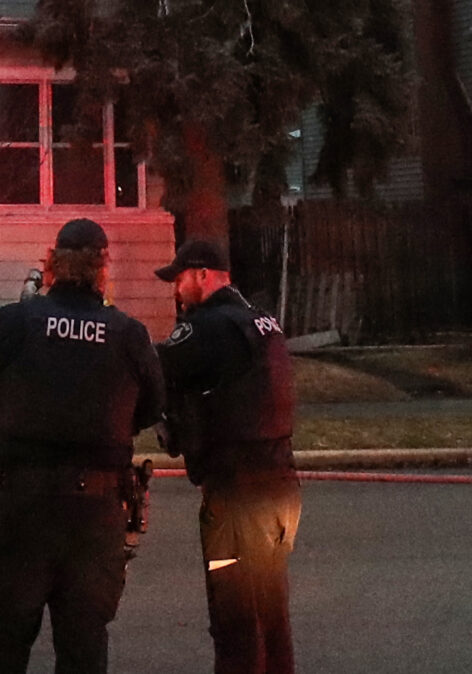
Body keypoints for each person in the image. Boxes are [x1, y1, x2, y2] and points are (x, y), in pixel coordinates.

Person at [0, 218, 164, 674]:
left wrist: (4, 408)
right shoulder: (128, 334)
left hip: (21, 510)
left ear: (52, 264)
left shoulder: (17, 321)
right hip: (96, 517)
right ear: (103, 267)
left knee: (1, 650)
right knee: (84, 651)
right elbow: (151, 408)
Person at [156, 236, 299, 674]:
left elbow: (155, 368)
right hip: (280, 488)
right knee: (270, 613)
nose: (176, 290)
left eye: (180, 279)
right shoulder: (261, 320)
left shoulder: (208, 326)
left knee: (235, 619)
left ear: (203, 275)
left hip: (236, 494)